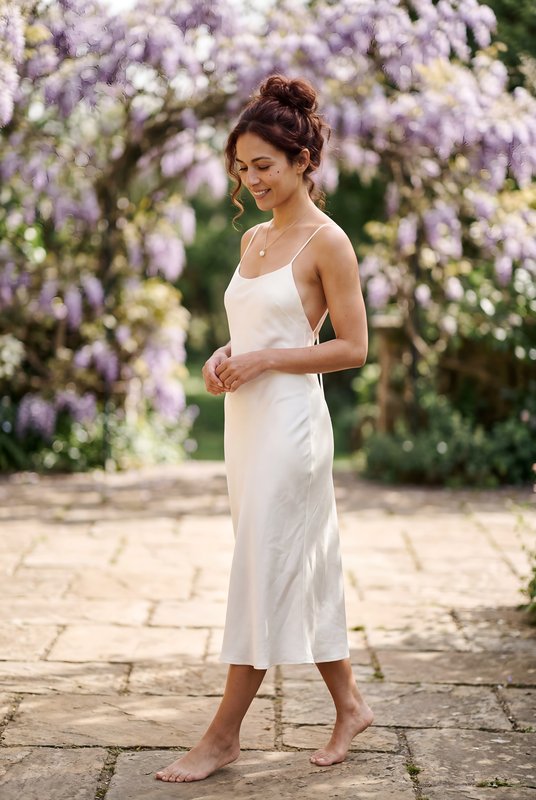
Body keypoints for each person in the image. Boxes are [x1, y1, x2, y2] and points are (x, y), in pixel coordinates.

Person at [155, 74, 372, 784]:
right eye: (242, 168)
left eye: (265, 166)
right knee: (292, 561)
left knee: (260, 563)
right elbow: (253, 328)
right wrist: (224, 357)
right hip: (245, 424)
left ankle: (222, 736)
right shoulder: (253, 238)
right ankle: (350, 705)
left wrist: (268, 359)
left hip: (291, 426)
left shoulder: (328, 242)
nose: (251, 180)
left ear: (303, 161)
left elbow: (352, 348)